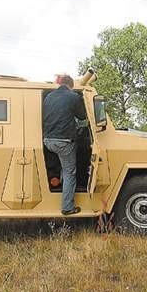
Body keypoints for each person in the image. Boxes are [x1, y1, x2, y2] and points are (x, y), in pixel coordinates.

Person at [43, 75, 87, 215]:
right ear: (71, 85)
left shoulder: (49, 97)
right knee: (70, 171)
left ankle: (62, 184)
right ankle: (67, 207)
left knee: (64, 162)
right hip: (63, 142)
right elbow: (82, 117)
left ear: (60, 84)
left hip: (48, 141)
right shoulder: (73, 96)